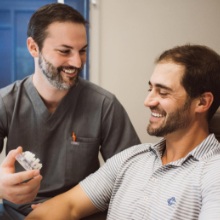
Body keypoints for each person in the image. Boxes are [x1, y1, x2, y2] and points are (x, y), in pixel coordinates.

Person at [25, 44, 220, 220]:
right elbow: (69, 206)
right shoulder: (132, 158)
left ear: (202, 102)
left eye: (163, 92)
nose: (148, 101)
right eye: (150, 89)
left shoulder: (213, 173)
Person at [0, 3, 140, 220]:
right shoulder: (5, 103)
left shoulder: (104, 105)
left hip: (82, 213)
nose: (77, 62)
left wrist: (66, 207)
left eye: (82, 51)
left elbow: (134, 177)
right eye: (64, 51)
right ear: (33, 47)